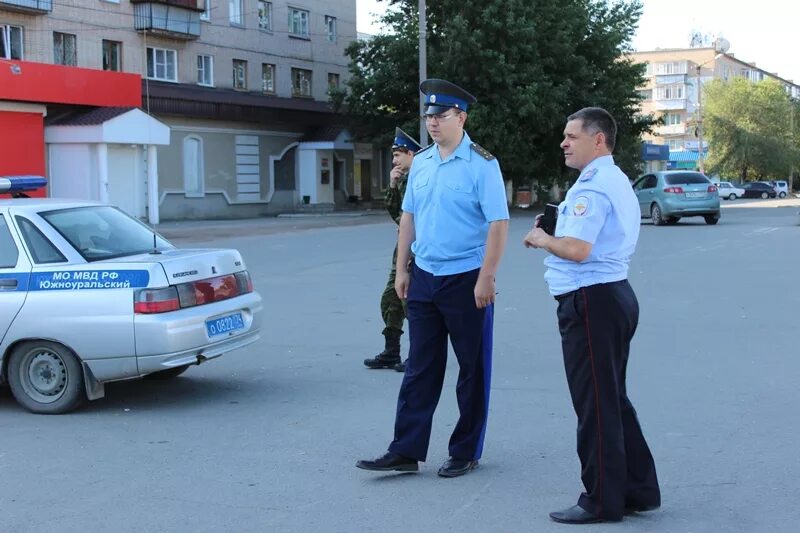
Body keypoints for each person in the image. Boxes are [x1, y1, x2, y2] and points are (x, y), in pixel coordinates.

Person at [356, 79, 509, 478]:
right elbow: (409, 218)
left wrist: (486, 277)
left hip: (466, 278)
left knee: (472, 369)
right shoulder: (421, 162)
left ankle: (465, 449)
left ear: (461, 117)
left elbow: (498, 223)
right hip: (424, 276)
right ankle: (405, 449)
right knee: (420, 367)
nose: (432, 123)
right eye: (428, 116)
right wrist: (403, 269)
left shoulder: (482, 164)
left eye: (440, 116)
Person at [523, 107, 661, 524]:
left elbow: (579, 250)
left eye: (571, 136)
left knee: (595, 406)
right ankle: (636, 489)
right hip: (608, 297)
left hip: (591, 302)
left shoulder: (593, 188)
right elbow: (584, 238)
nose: (564, 143)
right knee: (611, 399)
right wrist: (556, 230)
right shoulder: (609, 180)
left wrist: (544, 239)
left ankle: (601, 500)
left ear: (597, 140)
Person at [363, 127, 422, 372]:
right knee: (391, 301)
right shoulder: (405, 180)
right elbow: (396, 215)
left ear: (411, 154)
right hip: (402, 252)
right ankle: (391, 351)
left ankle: (418, 356)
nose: (395, 160)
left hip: (417, 252)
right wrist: (393, 185)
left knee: (413, 306)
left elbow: (406, 220)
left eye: (398, 155)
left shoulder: (421, 179)